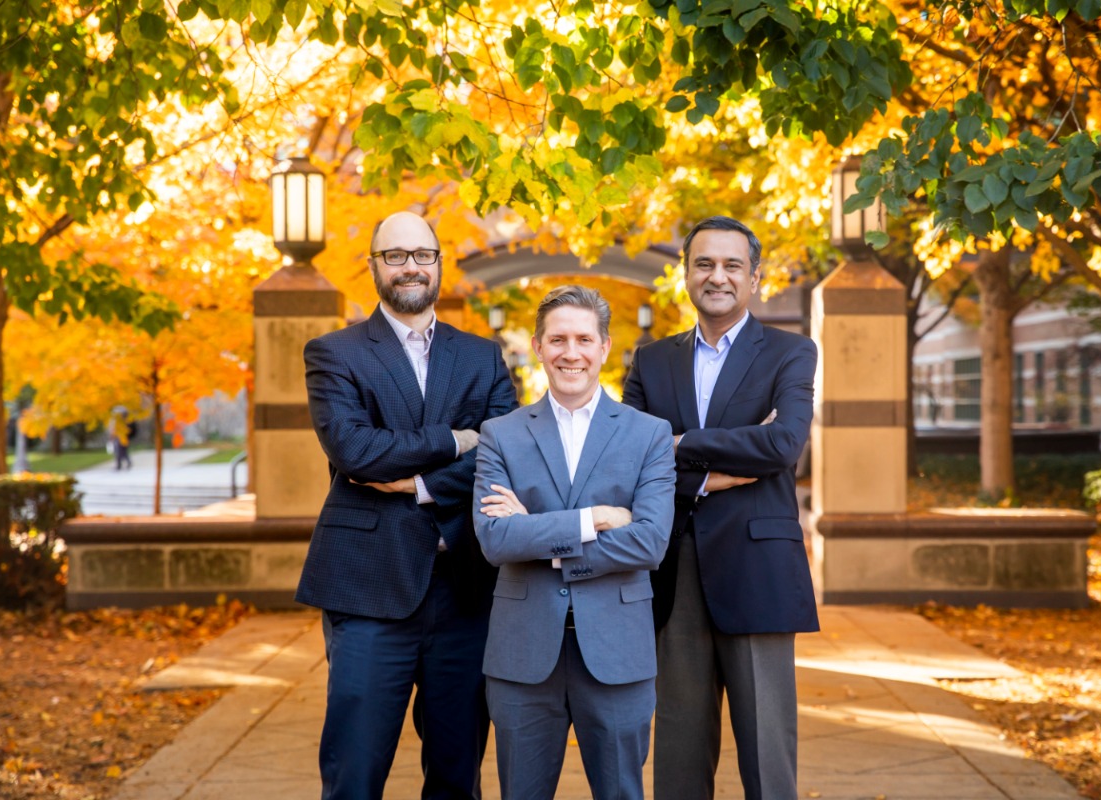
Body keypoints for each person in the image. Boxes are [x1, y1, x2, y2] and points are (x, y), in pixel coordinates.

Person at [296, 211, 518, 800]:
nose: (411, 266)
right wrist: (453, 440)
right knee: (355, 774)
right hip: (367, 588)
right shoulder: (334, 353)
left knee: (456, 774)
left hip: (466, 592)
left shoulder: (483, 357)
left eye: (423, 254)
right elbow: (355, 450)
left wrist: (418, 485)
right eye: (395, 255)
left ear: (440, 263)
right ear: (374, 266)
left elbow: (504, 455)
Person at [622, 215, 819, 800]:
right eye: (704, 263)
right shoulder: (651, 361)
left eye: (733, 265)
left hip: (759, 569)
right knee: (679, 753)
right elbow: (631, 463)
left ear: (755, 277)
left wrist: (681, 444)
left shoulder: (791, 351)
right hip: (674, 569)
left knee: (767, 754)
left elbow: (784, 445)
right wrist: (711, 477)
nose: (718, 276)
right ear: (685, 274)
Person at [472, 285, 675, 800]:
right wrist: (596, 519)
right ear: (538, 346)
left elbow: (649, 543)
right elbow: (496, 539)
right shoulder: (501, 434)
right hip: (523, 654)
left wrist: (540, 535)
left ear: (604, 347)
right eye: (558, 339)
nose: (571, 352)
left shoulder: (649, 434)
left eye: (584, 339)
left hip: (617, 652)